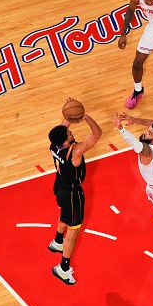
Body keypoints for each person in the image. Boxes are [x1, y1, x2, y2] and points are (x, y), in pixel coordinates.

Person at [47, 100, 102, 285]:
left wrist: (70, 115)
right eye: (70, 133)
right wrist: (84, 116)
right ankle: (63, 268)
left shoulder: (54, 145)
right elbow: (97, 134)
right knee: (74, 229)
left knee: (64, 214)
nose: (72, 132)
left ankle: (56, 241)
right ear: (65, 140)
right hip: (72, 193)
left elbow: (63, 126)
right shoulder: (75, 152)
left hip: (59, 186)